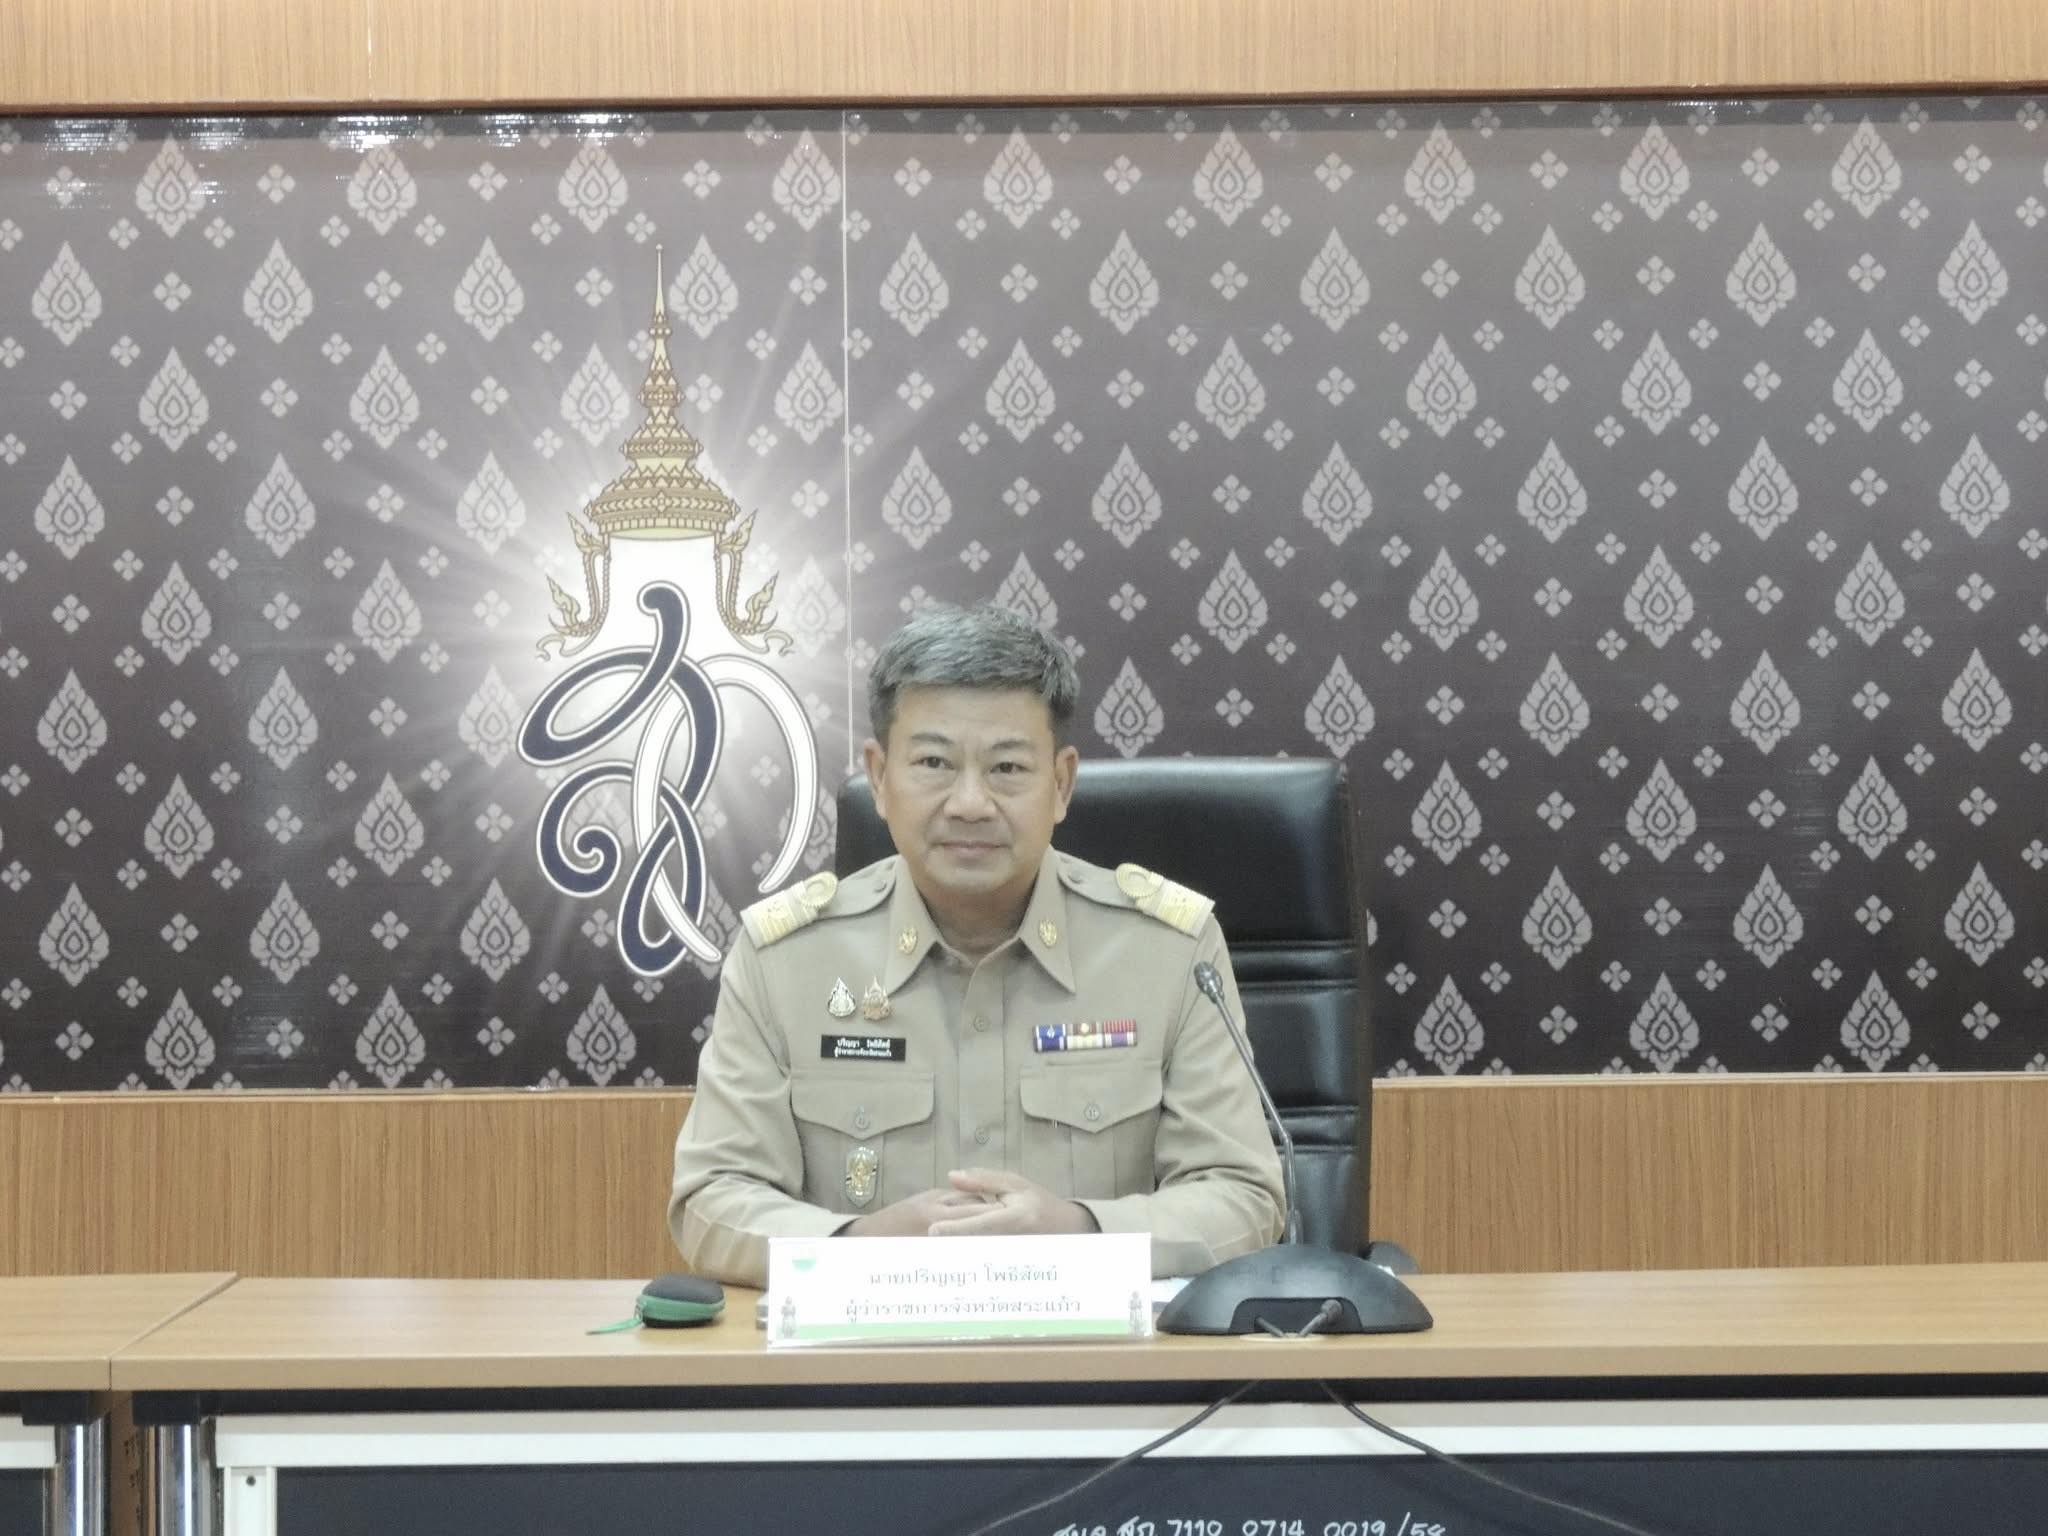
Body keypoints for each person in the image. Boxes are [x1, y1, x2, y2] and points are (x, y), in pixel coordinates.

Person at [668, 602, 1285, 1285]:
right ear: (880, 777)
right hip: (863, 1349)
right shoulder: (786, 960)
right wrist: (859, 1243)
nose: (969, 803)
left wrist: (1077, 1232)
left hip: (1102, 1352)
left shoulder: (1168, 953)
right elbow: (712, 1197)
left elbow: (1244, 1197)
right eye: (934, 762)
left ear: (1061, 783)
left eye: (1007, 768)